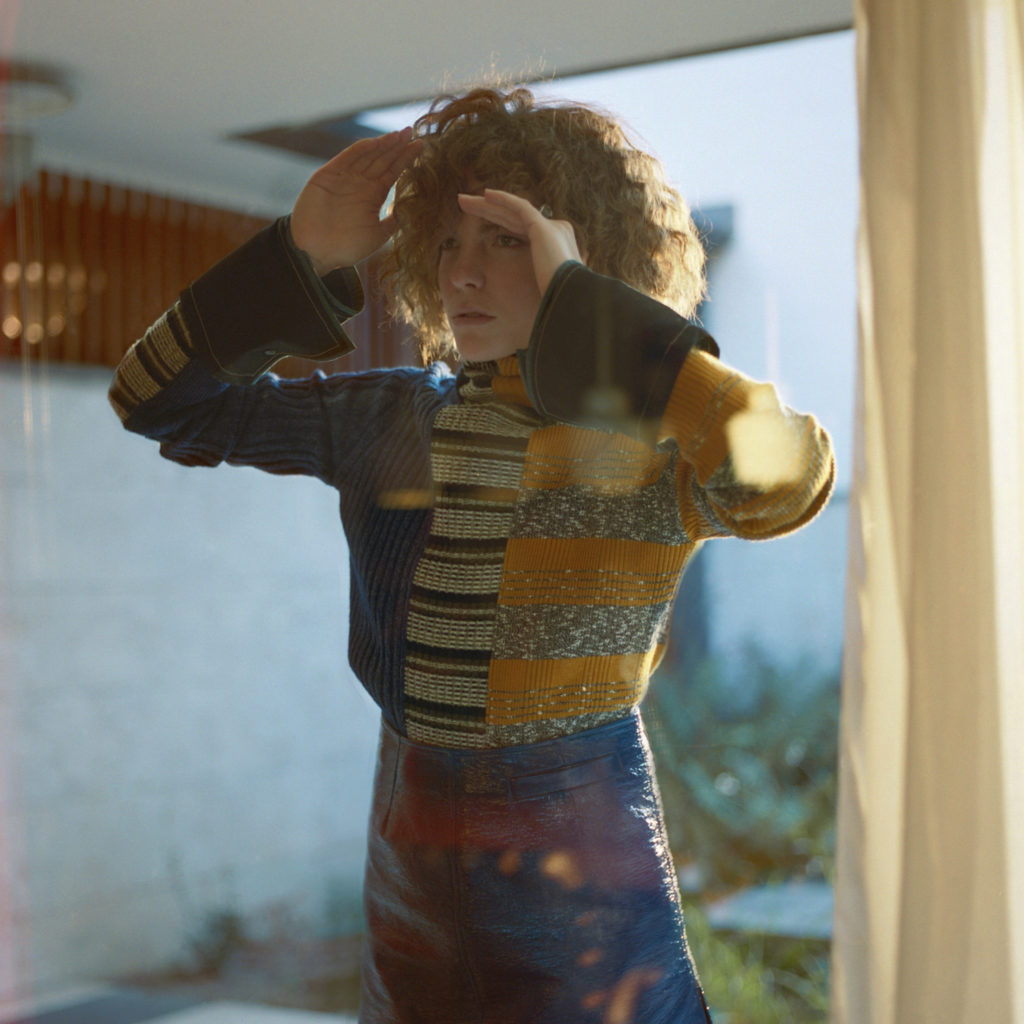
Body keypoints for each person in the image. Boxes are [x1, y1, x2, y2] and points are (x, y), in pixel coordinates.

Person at [110, 87, 834, 1024]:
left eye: (505, 239)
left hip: (581, 858)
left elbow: (789, 481)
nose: (463, 273)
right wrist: (302, 254)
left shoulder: (655, 440)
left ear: (586, 256)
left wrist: (602, 323)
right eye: (447, 242)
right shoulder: (390, 413)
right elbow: (158, 400)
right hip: (408, 844)